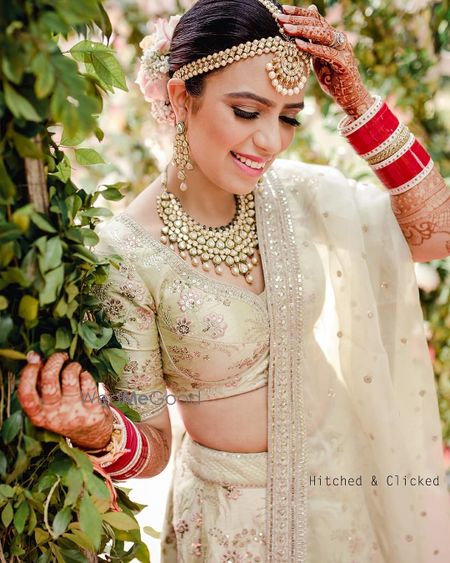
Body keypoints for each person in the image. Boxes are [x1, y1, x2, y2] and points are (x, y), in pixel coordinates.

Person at [18, 0, 450, 561]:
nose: (271, 141)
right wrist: (98, 428)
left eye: (288, 117)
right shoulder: (127, 255)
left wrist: (358, 102)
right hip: (234, 524)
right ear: (180, 97)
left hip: (343, 490)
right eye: (248, 112)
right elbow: (152, 451)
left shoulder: (297, 196)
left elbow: (436, 234)